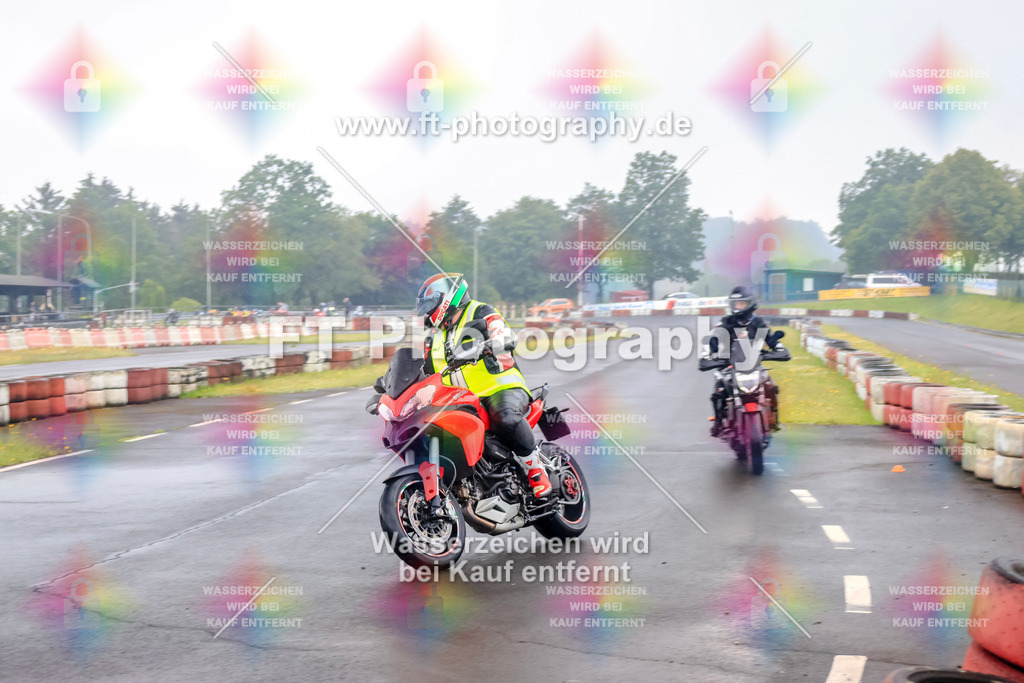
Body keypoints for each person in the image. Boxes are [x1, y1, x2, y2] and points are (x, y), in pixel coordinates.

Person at [416, 273, 553, 498]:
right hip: (462, 399)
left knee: (505, 417)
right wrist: (396, 389)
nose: (428, 313)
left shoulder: (480, 311)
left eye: (431, 305)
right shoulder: (434, 337)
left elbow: (505, 335)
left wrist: (484, 347)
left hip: (501, 387)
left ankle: (535, 469)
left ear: (447, 298)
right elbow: (424, 371)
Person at [706, 286, 783, 437]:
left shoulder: (758, 322)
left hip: (753, 364)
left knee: (770, 386)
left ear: (749, 304)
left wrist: (778, 347)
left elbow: (769, 338)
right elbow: (715, 338)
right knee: (719, 388)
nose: (738, 306)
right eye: (736, 304)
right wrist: (711, 353)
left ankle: (773, 418)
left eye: (742, 303)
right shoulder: (726, 322)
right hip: (730, 364)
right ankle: (719, 422)